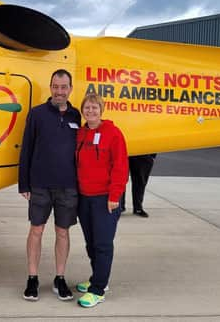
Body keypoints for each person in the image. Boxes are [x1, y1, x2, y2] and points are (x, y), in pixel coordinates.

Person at [18, 69, 81, 302]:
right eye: (55, 86)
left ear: (70, 89)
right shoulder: (36, 114)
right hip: (40, 185)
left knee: (62, 232)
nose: (59, 91)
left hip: (68, 186)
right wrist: (23, 183)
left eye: (64, 87)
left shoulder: (76, 116)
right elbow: (26, 150)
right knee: (36, 230)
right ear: (50, 87)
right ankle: (32, 278)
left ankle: (60, 278)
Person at [75, 92, 128, 308]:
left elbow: (121, 167)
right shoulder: (80, 133)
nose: (90, 111)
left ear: (101, 110)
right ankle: (98, 276)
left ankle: (98, 289)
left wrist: (114, 196)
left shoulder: (113, 134)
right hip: (84, 197)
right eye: (87, 108)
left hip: (105, 198)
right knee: (91, 243)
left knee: (103, 244)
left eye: (94, 108)